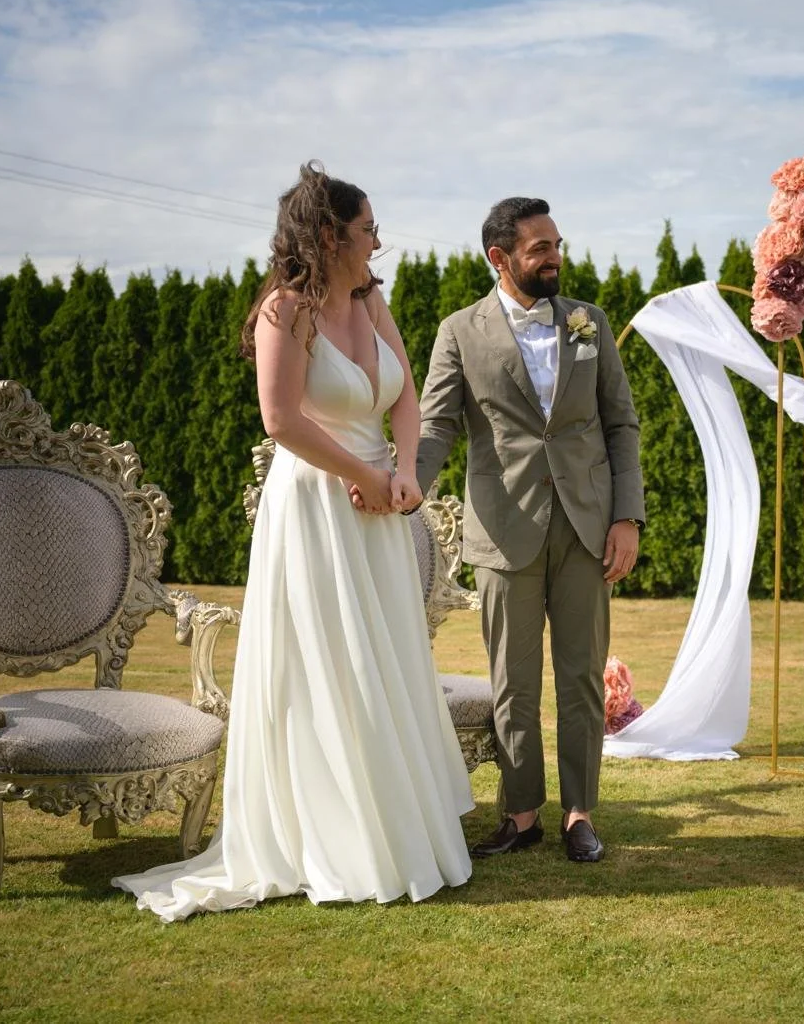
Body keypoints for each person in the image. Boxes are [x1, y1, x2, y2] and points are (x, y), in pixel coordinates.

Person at [113, 163, 474, 920]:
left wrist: (403, 472)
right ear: (327, 235)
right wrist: (358, 472)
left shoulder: (371, 302)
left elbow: (404, 392)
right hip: (315, 505)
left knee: (382, 662)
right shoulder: (286, 312)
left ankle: (395, 827)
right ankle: (334, 840)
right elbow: (280, 420)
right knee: (326, 668)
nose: (379, 241)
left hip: (376, 503)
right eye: (368, 228)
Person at [416, 197, 644, 863]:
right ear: (500, 257)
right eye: (540, 247)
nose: (555, 257)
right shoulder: (459, 331)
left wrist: (626, 517)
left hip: (585, 526)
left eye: (556, 244)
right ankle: (521, 816)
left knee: (579, 677)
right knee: (512, 682)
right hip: (503, 529)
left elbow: (620, 424)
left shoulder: (586, 323)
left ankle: (578, 815)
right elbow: (437, 427)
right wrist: (403, 485)